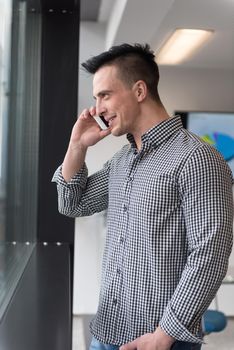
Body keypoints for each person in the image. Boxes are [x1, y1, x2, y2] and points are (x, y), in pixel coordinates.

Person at [52, 43, 233, 350]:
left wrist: (165, 335)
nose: (97, 109)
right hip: (106, 330)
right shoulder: (123, 160)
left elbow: (210, 254)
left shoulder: (197, 158)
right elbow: (72, 203)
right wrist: (77, 146)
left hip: (159, 339)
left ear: (139, 91)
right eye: (96, 98)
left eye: (105, 95)